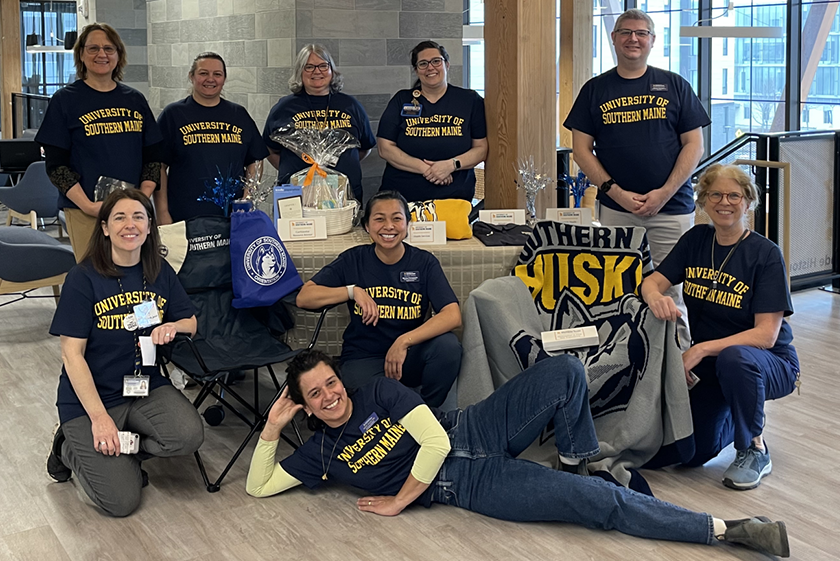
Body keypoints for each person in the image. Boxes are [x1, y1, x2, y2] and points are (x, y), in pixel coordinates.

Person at [245, 349, 790, 558]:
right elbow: (258, 487)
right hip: (469, 486)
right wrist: (271, 429)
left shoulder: (378, 393)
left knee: (565, 372)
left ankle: (579, 457)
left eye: (332, 383)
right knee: (598, 506)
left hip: (470, 427)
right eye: (316, 394)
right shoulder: (318, 453)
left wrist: (398, 500)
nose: (331, 395)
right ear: (306, 407)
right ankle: (726, 529)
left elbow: (433, 441)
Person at [46, 189, 204, 517]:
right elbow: (71, 355)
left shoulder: (159, 272)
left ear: (149, 228)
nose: (129, 225)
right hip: (91, 400)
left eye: (138, 217)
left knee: (188, 435)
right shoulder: (83, 278)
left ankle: (126, 447)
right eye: (119, 217)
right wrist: (100, 419)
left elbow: (191, 322)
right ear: (104, 228)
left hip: (144, 388)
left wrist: (173, 327)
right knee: (122, 501)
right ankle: (66, 447)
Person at [641, 164, 799, 491]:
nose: (724, 202)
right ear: (703, 200)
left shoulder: (765, 254)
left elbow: (766, 336)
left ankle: (754, 447)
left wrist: (698, 349)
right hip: (715, 365)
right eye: (715, 194)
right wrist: (655, 295)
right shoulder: (696, 240)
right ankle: (737, 413)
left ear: (749, 202)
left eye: (734, 195)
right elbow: (652, 281)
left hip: (769, 363)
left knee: (736, 359)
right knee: (690, 454)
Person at [564, 9, 710, 348]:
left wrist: (663, 192)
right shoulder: (594, 90)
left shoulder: (675, 85)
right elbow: (581, 151)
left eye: (642, 33)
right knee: (618, 288)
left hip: (671, 210)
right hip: (616, 210)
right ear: (613, 38)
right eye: (626, 32)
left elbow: (694, 145)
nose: (634, 39)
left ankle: (677, 370)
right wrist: (615, 192)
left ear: (652, 41)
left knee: (670, 290)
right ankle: (624, 364)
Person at [296, 191, 461, 407]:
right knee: (375, 404)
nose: (389, 226)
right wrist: (352, 291)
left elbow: (452, 315)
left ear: (407, 224)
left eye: (397, 218)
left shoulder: (424, 262)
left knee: (448, 346)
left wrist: (403, 341)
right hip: (364, 357)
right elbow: (304, 297)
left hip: (409, 354)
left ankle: (429, 409)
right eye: (379, 219)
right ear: (367, 226)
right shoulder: (353, 259)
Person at [36, 23, 163, 261]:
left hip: (132, 212)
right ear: (81, 54)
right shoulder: (65, 100)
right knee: (95, 278)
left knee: (135, 276)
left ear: (118, 55)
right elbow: (56, 165)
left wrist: (143, 198)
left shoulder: (135, 100)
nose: (101, 54)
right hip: (87, 212)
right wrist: (87, 206)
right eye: (93, 48)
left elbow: (153, 156)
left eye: (108, 48)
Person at [155, 52, 269, 224]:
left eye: (217, 74)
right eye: (203, 73)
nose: (211, 79)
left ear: (224, 79)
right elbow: (159, 166)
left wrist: (247, 202)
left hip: (232, 218)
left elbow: (256, 161)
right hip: (185, 218)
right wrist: (162, 213)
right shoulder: (173, 115)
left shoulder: (238, 114)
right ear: (191, 76)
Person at [263, 44, 376, 202]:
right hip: (296, 193)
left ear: (332, 70)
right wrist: (294, 171)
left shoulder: (351, 105)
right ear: (300, 72)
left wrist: (340, 166)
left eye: (323, 65)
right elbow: (269, 149)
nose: (317, 71)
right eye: (309, 67)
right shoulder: (283, 108)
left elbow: (365, 147)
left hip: (343, 193)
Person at [377, 41, 488, 203]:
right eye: (423, 64)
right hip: (403, 199)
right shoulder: (401, 100)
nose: (430, 67)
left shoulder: (470, 100)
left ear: (447, 64)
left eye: (436, 61)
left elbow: (481, 148)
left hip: (455, 196)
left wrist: (451, 165)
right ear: (416, 70)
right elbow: (384, 148)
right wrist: (428, 170)